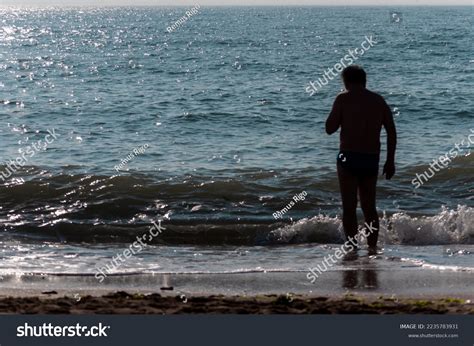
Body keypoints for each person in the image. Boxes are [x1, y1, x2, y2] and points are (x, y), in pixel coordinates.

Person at [325, 65, 397, 250]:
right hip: (370, 158)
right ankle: (372, 248)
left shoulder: (342, 99)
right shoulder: (378, 101)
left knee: (349, 208)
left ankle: (352, 247)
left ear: (346, 82)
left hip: (348, 157)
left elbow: (329, 128)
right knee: (369, 208)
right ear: (364, 81)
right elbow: (391, 131)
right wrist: (390, 160)